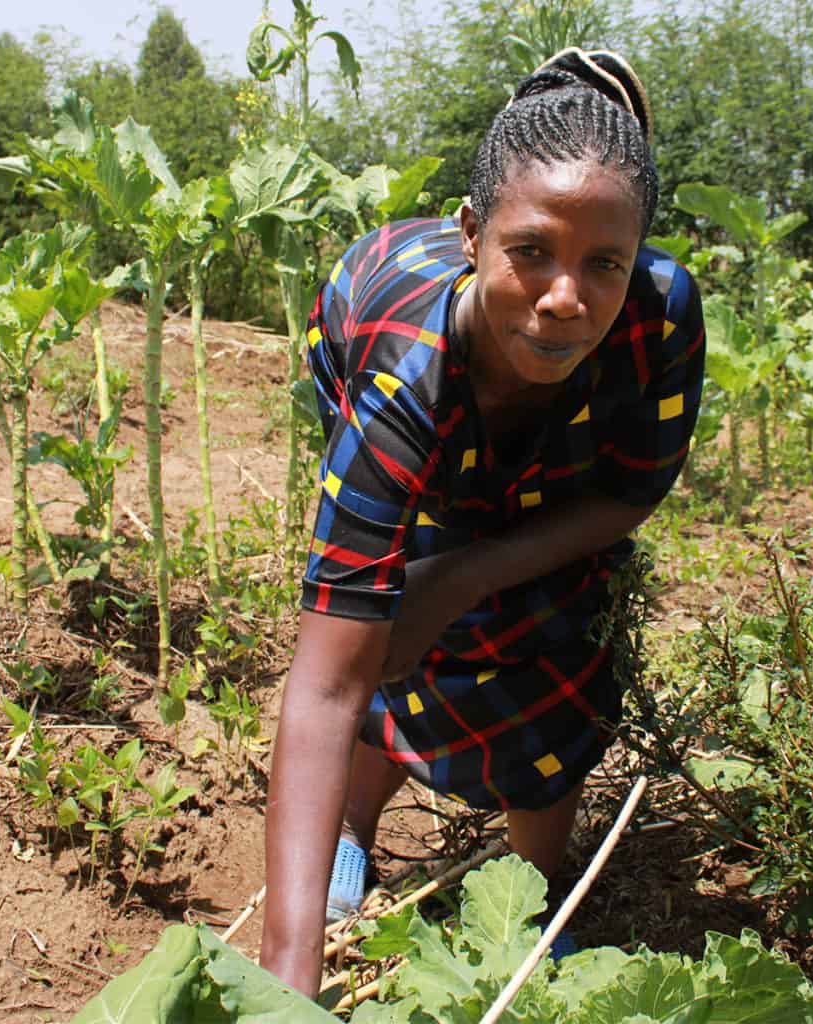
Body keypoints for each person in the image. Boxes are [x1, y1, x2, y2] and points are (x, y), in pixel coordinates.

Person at [258, 48, 705, 996]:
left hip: (551, 458)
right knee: (387, 608)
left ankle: (532, 904)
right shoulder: (400, 377)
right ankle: (348, 836)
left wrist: (467, 576)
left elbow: (629, 493)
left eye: (605, 263)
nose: (563, 298)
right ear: (471, 232)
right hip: (378, 353)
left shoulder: (658, 316)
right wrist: (285, 985)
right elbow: (326, 682)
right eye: (530, 250)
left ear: (642, 257)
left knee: (553, 620)